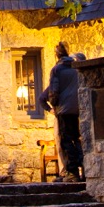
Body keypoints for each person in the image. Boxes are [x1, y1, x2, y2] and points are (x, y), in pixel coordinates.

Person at [39, 42, 84, 181]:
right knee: (76, 139)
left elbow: (53, 92)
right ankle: (84, 167)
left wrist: (53, 105)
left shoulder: (57, 70)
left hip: (64, 110)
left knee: (66, 140)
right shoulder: (76, 69)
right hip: (76, 109)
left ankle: (72, 172)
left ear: (57, 54)